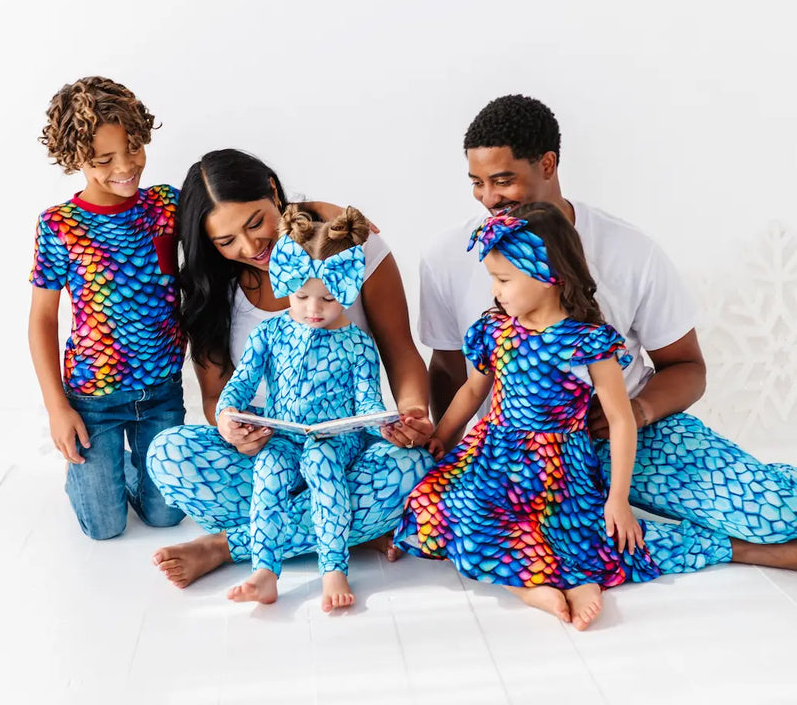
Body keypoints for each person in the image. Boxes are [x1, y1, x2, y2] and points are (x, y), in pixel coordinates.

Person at [420, 93, 797, 569]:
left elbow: (688, 367)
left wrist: (637, 412)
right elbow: (453, 370)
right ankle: (721, 546)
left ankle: (747, 519)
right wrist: (448, 450)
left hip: (631, 436)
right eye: (477, 183)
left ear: (549, 164)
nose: (489, 198)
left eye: (503, 180)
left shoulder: (630, 251)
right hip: (521, 455)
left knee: (776, 512)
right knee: (435, 516)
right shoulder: (449, 254)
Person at [396, 203, 734, 630]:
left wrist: (618, 498)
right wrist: (444, 437)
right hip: (493, 457)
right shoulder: (494, 330)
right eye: (492, 280)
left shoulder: (589, 342)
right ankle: (529, 586)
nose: (496, 291)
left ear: (547, 274)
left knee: (567, 530)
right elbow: (471, 390)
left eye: (504, 280)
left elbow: (621, 419)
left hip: (557, 467)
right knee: (434, 505)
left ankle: (574, 581)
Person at [147, 149, 434, 588]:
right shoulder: (214, 290)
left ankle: (226, 546)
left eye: (255, 222)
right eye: (226, 242)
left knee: (409, 465)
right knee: (168, 453)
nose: (249, 247)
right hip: (266, 453)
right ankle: (350, 532)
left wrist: (411, 414)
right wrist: (231, 429)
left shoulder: (349, 250)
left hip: (346, 453)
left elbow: (400, 352)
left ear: (273, 193)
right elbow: (216, 396)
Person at [28, 75, 185, 539]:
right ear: (75, 158)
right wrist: (57, 408)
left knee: (165, 516)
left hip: (161, 392)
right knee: (105, 528)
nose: (126, 166)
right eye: (105, 159)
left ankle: (126, 471)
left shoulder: (165, 206)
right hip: (92, 399)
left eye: (133, 148)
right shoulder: (58, 225)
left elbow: (232, 211)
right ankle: (94, 477)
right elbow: (40, 319)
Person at [220, 205, 389, 611]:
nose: (313, 310)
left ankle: (333, 568)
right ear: (287, 286)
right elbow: (241, 382)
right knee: (269, 468)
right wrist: (228, 415)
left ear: (347, 291)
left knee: (320, 460)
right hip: (283, 436)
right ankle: (264, 570)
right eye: (301, 297)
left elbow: (368, 402)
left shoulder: (358, 344)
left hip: (339, 440)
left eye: (328, 299)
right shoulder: (271, 331)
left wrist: (384, 427)